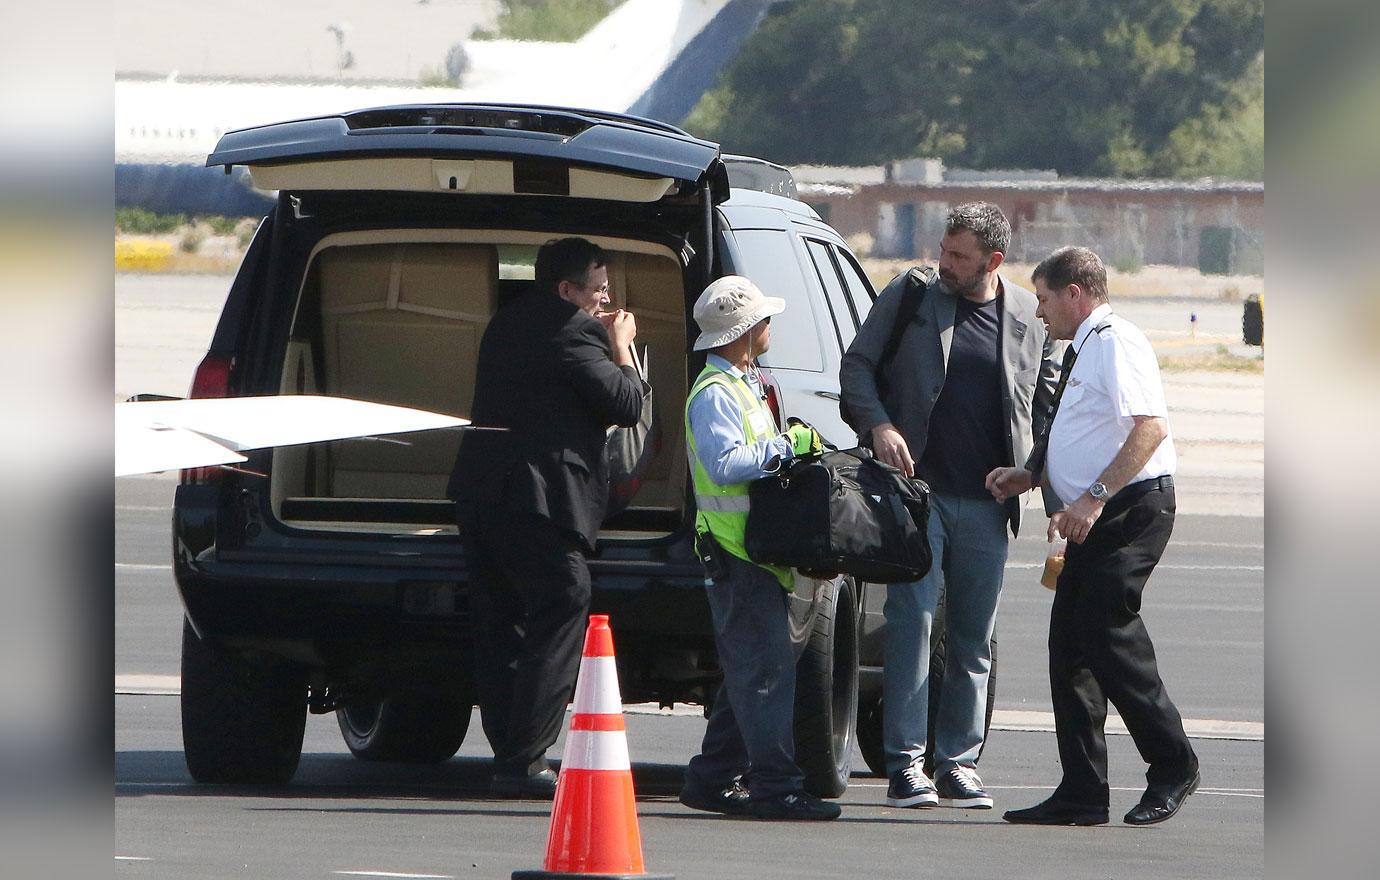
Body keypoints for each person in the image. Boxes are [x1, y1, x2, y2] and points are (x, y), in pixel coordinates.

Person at [839, 203, 1058, 809]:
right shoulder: (912, 296)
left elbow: (1044, 407)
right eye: (943, 249)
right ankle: (906, 764)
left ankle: (959, 762)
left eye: (959, 257)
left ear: (993, 261)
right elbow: (856, 367)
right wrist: (880, 426)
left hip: (988, 504)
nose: (945, 263)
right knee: (912, 624)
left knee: (973, 638)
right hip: (919, 498)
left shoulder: (1026, 318)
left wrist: (1033, 474)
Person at [987, 246, 1200, 826]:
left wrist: (1093, 498)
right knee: (1071, 649)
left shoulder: (1114, 342)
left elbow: (1150, 427)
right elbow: (1082, 426)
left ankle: (1174, 764)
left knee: (1110, 633)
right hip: (1097, 515)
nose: (1039, 313)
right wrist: (1033, 473)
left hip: (1129, 510)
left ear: (1074, 294)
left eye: (1045, 299)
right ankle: (1083, 790)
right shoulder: (1084, 348)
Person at [448, 237, 644, 798]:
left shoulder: (505, 322)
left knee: (499, 618)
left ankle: (509, 747)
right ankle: (524, 757)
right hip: (536, 498)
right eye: (599, 288)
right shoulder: (575, 332)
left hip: (481, 492)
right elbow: (627, 404)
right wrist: (622, 346)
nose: (607, 299)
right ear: (567, 290)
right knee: (563, 599)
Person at [678, 275, 840, 822]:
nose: (773, 327)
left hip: (754, 554)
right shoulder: (716, 394)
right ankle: (777, 787)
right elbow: (726, 464)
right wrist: (787, 444)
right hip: (735, 554)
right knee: (767, 675)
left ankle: (710, 778)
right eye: (765, 320)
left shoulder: (744, 382)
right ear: (746, 331)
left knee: (752, 671)